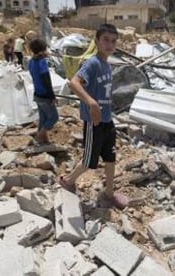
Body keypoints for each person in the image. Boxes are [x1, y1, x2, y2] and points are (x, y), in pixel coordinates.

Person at [59, 23, 128, 209]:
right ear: (96, 41)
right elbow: (74, 83)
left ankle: (109, 193)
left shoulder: (106, 65)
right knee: (89, 161)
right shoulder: (93, 63)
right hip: (94, 121)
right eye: (105, 40)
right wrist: (91, 103)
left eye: (113, 41)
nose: (109, 44)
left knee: (110, 157)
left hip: (107, 120)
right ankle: (68, 180)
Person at [28, 38, 58, 145]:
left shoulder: (31, 62)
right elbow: (46, 80)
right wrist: (52, 96)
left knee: (43, 118)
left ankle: (43, 141)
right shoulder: (42, 62)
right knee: (54, 117)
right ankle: (40, 135)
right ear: (42, 50)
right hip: (45, 95)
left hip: (37, 94)